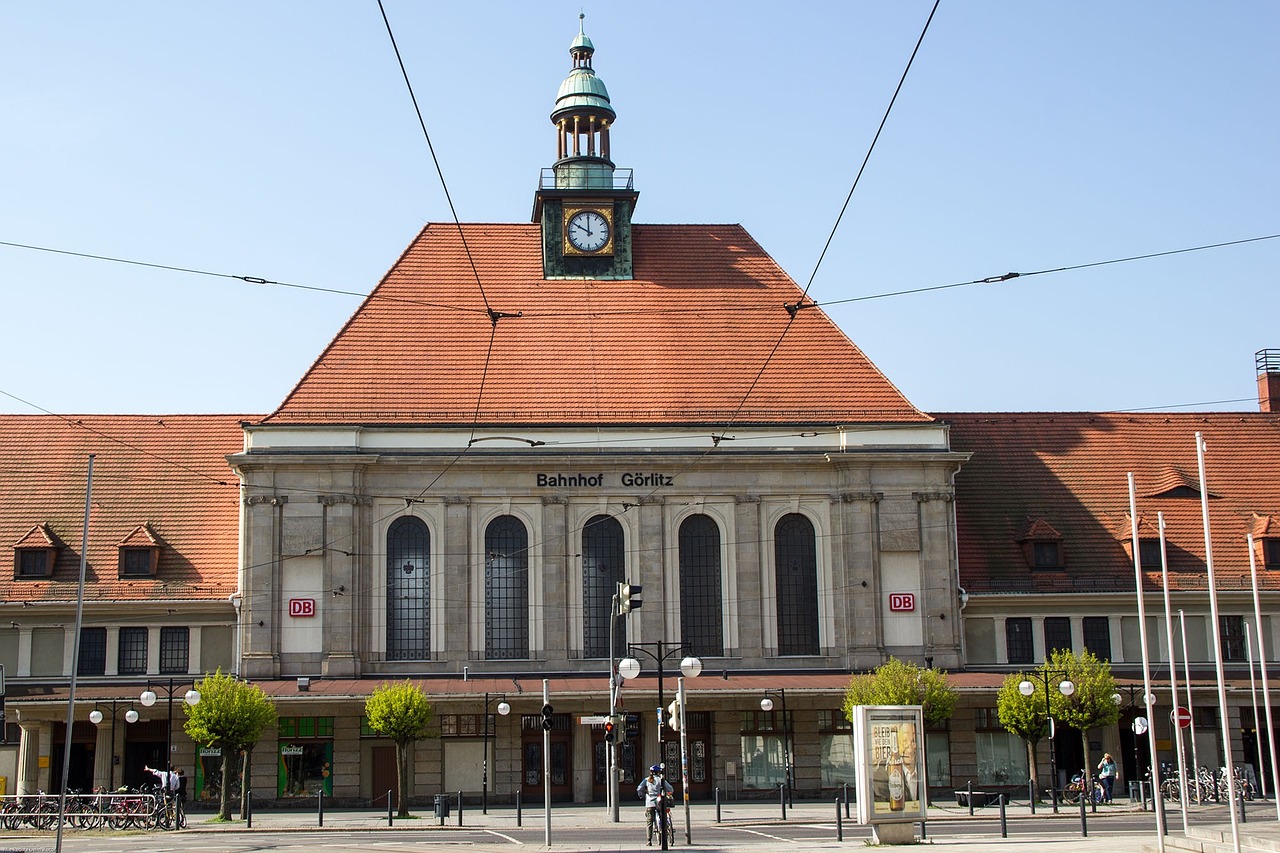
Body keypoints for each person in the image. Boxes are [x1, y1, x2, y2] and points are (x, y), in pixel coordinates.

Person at [636, 764, 673, 846]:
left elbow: (639, 788)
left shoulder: (646, 780)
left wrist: (641, 795)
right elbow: (670, 789)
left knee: (649, 822)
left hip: (649, 803)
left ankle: (649, 840)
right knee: (663, 816)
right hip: (660, 802)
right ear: (658, 772)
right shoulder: (661, 780)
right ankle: (665, 829)